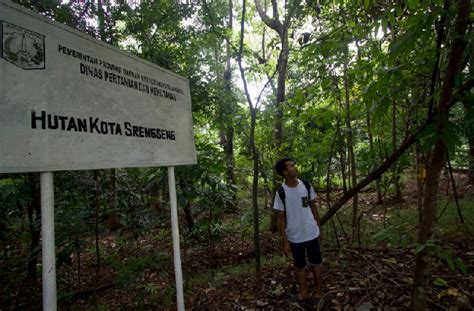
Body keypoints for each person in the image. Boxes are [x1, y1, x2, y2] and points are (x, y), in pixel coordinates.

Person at [273, 157, 323, 302]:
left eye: (294, 165)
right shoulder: (281, 192)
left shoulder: (306, 185)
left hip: (311, 231)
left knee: (316, 262)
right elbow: (281, 218)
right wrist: (285, 241)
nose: (295, 167)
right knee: (299, 265)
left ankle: (319, 291)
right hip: (295, 236)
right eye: (291, 166)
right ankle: (304, 292)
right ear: (285, 172)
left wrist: (319, 227)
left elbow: (313, 206)